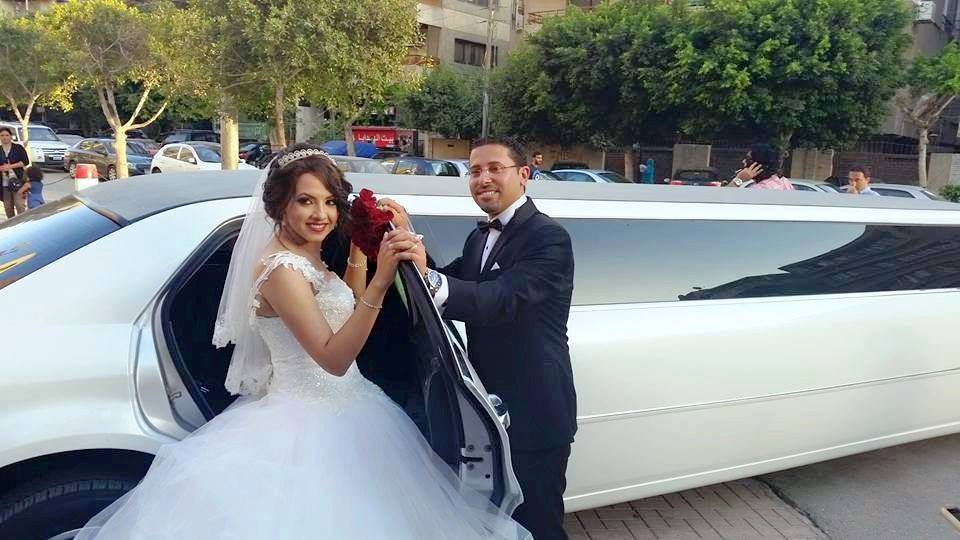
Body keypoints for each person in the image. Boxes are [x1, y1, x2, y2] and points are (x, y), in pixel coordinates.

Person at [75, 144, 530, 539]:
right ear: (279, 205)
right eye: (305, 201)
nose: (321, 214)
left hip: (353, 410)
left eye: (330, 202)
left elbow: (343, 305)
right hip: (307, 426)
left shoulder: (306, 257)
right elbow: (333, 357)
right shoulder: (281, 270)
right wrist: (382, 279)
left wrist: (359, 249)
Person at [383, 137, 577, 540]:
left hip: (535, 410)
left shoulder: (548, 237)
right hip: (487, 411)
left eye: (494, 168)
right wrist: (407, 236)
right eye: (474, 171)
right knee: (495, 524)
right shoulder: (478, 238)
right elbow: (448, 282)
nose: (482, 178)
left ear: (523, 175)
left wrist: (428, 275)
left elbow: (500, 299)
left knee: (538, 524)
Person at [725, 143, 794, 190]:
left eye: (748, 159)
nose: (743, 161)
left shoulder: (757, 190)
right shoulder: (785, 183)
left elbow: (724, 199)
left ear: (758, 165)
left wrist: (739, 180)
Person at [0, 126, 30, 218]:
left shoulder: (18, 148)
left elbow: (25, 161)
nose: (4, 137)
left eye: (7, 135)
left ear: (11, 136)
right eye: (2, 135)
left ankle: (22, 223)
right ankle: (12, 224)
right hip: (4, 183)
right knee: (8, 207)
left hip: (18, 181)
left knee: (20, 205)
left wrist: (10, 166)